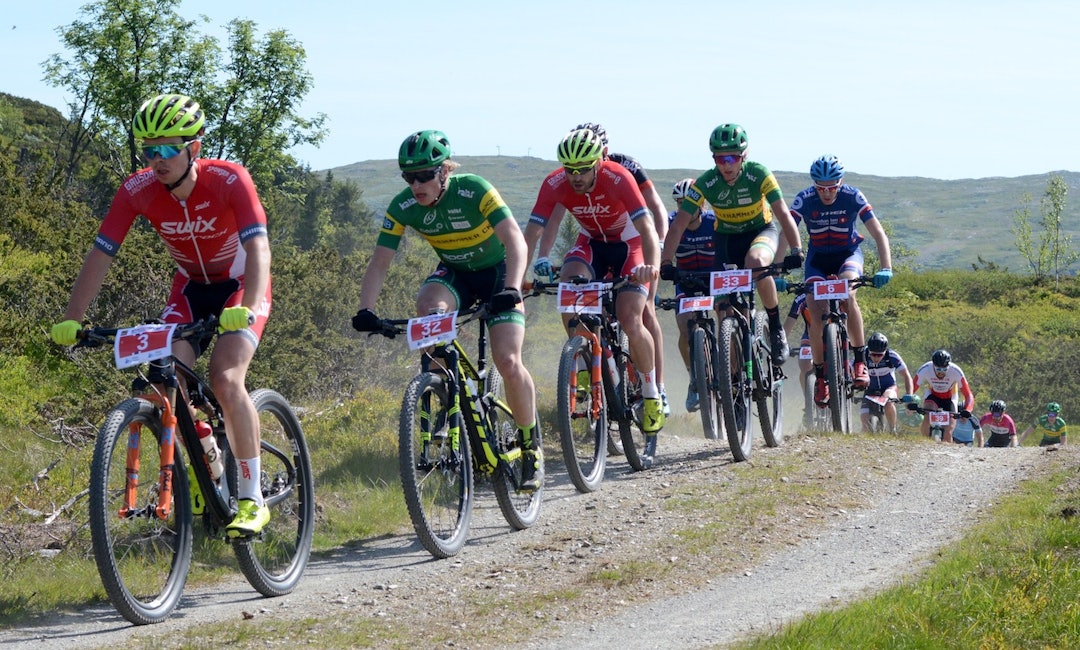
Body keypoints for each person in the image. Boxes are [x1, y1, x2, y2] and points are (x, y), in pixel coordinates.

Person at [50, 93, 273, 536]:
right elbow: (101, 253)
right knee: (163, 383)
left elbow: (258, 247)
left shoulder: (229, 179)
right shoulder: (137, 190)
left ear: (195, 147)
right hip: (190, 289)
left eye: (168, 148)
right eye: (148, 150)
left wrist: (248, 307)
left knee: (227, 378)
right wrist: (73, 318)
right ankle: (205, 462)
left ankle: (252, 498)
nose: (156, 159)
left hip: (239, 285)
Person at [351, 130, 542, 490]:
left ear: (444, 171)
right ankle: (444, 398)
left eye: (424, 175)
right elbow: (380, 261)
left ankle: (530, 446)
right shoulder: (403, 206)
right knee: (429, 307)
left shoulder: (474, 189)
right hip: (456, 274)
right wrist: (366, 309)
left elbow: (515, 240)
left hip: (499, 273)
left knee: (508, 360)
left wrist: (513, 287)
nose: (416, 185)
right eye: (408, 177)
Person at [524, 127, 665, 466]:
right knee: (569, 286)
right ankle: (585, 359)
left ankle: (651, 394)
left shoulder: (618, 177)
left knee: (631, 317)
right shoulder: (555, 182)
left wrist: (651, 266)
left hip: (629, 246)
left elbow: (647, 228)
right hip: (591, 244)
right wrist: (524, 272)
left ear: (598, 163)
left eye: (583, 169)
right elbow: (534, 230)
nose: (575, 177)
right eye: (569, 169)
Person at [660, 123, 804, 366]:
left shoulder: (758, 173)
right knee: (724, 309)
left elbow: (782, 212)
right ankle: (734, 376)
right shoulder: (706, 182)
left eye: (732, 158)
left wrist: (796, 249)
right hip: (726, 240)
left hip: (760, 232)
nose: (726, 165)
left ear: (743, 156)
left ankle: (776, 327)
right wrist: (666, 262)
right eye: (720, 159)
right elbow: (679, 224)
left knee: (756, 262)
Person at [785, 155, 893, 407]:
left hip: (848, 254)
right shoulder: (804, 199)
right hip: (818, 260)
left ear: (840, 183)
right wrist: (779, 272)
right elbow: (784, 234)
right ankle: (821, 376)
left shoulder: (853, 196)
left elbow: (878, 232)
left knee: (848, 292)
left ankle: (859, 360)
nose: (826, 192)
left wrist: (886, 267)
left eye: (832, 187)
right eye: (820, 187)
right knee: (815, 309)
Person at [666, 178, 716, 412]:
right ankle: (694, 380)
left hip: (713, 280)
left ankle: (730, 368)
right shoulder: (671, 223)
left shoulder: (714, 222)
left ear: (701, 203)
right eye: (679, 203)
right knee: (685, 326)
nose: (684, 207)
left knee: (728, 314)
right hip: (685, 282)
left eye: (689, 202)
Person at [907, 349, 975, 443]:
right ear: (933, 365)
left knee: (949, 430)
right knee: (927, 416)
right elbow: (912, 388)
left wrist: (967, 410)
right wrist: (909, 402)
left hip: (950, 398)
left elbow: (968, 394)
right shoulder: (926, 368)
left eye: (944, 369)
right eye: (938, 369)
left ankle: (947, 449)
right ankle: (924, 443)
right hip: (933, 395)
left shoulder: (956, 371)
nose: (941, 372)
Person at [860, 332, 912, 433]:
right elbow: (849, 369)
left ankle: (892, 430)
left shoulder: (892, 356)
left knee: (888, 402)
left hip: (889, 387)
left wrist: (909, 394)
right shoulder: (863, 355)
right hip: (869, 389)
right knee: (865, 424)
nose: (876, 358)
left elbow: (906, 375)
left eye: (879, 355)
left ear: (885, 352)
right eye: (873, 354)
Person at [782, 291, 814, 425]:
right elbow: (789, 323)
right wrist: (781, 344)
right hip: (810, 336)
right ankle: (809, 403)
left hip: (832, 337)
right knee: (805, 365)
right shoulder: (802, 298)